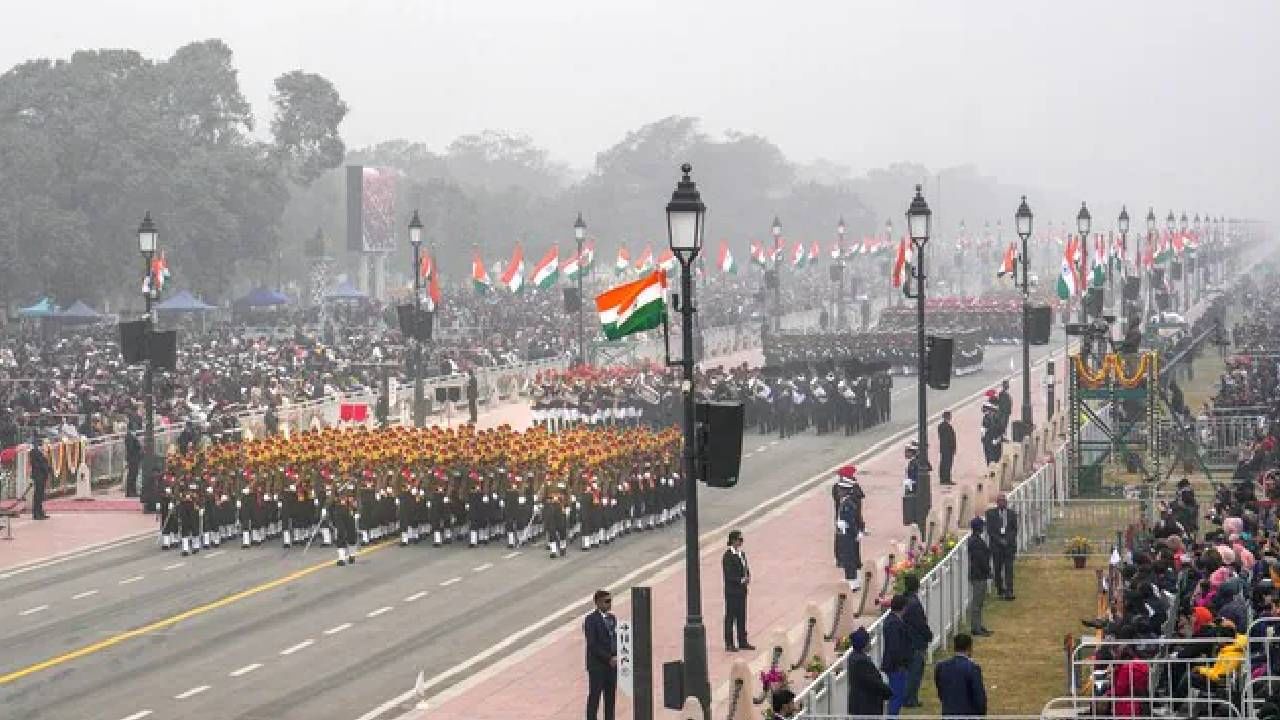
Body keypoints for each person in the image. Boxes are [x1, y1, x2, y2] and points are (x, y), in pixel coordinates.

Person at [584, 589, 618, 720]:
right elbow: (592, 644)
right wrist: (608, 658)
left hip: (611, 666)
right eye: (607, 601)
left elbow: (614, 639)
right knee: (595, 697)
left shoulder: (612, 618)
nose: (610, 604)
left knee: (610, 699)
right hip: (597, 666)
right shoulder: (590, 620)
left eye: (611, 601)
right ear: (597, 603)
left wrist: (616, 656)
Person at [934, 633, 987, 717]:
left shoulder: (941, 666)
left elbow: (940, 690)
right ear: (969, 648)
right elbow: (978, 696)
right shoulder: (973, 668)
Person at [846, 626, 892, 717]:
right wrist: (887, 691)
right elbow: (872, 682)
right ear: (864, 644)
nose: (870, 643)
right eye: (868, 641)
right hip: (866, 705)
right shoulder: (861, 661)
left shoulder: (854, 657)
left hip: (860, 704)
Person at [902, 574, 934, 708]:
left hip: (909, 642)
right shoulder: (914, 604)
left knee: (912, 672)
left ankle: (911, 697)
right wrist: (928, 635)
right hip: (916, 643)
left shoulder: (906, 600)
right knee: (915, 672)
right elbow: (920, 624)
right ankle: (910, 699)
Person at [880, 594, 913, 716]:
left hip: (896, 664)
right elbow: (895, 648)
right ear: (903, 607)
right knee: (897, 696)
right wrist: (901, 663)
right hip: (896, 666)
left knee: (898, 695)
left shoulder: (894, 620)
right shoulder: (893, 623)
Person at [722, 529, 754, 651]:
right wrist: (740, 580)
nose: (741, 542)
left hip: (742, 591)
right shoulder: (727, 556)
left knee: (742, 616)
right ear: (733, 541)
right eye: (739, 540)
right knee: (730, 617)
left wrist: (748, 577)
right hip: (732, 591)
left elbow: (746, 568)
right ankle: (729, 643)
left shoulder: (742, 554)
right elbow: (729, 575)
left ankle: (742, 641)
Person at [834, 466, 866, 591]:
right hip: (846, 532)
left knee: (849, 556)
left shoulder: (848, 503)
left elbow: (852, 520)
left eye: (841, 489)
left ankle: (852, 580)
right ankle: (852, 578)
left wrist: (856, 531)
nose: (839, 491)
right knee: (849, 555)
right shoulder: (846, 501)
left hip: (847, 534)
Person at [984, 494, 1018, 600]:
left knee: (1009, 569)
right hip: (996, 547)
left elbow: (1014, 529)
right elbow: (990, 531)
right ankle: (1000, 589)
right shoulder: (990, 514)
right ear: (997, 502)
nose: (1002, 503)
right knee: (997, 569)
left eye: (1004, 501)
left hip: (1008, 546)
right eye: (1000, 501)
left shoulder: (1012, 514)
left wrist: (1007, 540)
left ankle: (1009, 590)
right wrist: (1000, 540)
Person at [967, 517, 993, 636]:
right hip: (978, 575)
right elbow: (980, 559)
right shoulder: (975, 542)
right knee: (977, 603)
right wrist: (988, 571)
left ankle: (978, 625)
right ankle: (975, 627)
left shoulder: (975, 540)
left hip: (979, 574)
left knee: (979, 602)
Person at [28, 432, 50, 520]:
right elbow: (39, 463)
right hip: (38, 474)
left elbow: (44, 462)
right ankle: (36, 513)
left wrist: (47, 469)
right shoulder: (34, 451)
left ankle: (40, 512)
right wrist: (46, 469)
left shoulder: (39, 451)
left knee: (41, 495)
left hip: (42, 474)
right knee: (38, 495)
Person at [938, 410, 956, 486]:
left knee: (944, 463)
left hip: (944, 448)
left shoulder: (942, 426)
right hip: (947, 448)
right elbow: (948, 438)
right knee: (947, 464)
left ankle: (943, 478)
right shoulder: (946, 426)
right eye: (949, 416)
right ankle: (946, 479)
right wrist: (952, 447)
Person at [124, 428, 143, 498]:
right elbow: (131, 448)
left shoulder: (132, 436)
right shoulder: (129, 436)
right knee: (132, 475)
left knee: (134, 475)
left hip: (135, 458)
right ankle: (130, 492)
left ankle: (133, 491)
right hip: (133, 459)